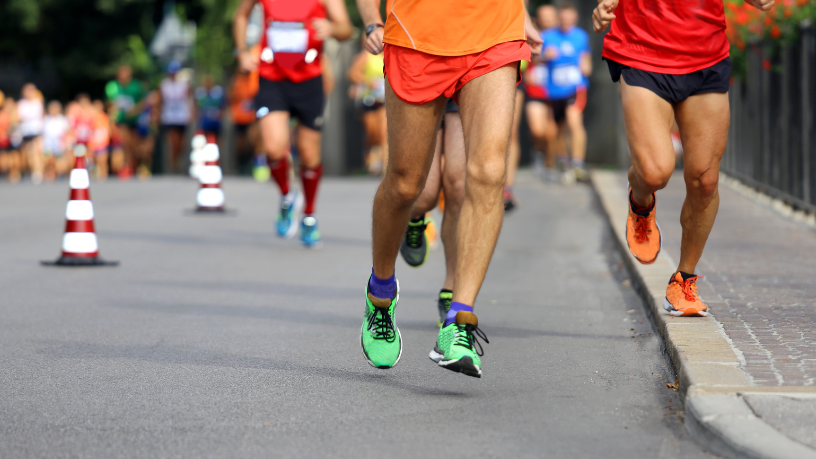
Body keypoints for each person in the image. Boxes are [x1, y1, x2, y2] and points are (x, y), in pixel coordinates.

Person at [355, 0, 541, 377]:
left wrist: (524, 13)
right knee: (407, 185)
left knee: (487, 173)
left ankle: (458, 320)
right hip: (418, 33)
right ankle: (381, 293)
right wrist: (371, 20)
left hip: (494, 29)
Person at [592, 0, 774, 316]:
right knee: (654, 172)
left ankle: (684, 280)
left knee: (705, 180)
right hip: (642, 50)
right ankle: (641, 199)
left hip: (706, 54)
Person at [233, 0, 353, 248]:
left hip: (309, 81)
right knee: (274, 148)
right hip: (271, 78)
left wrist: (332, 28)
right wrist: (241, 52)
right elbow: (241, 15)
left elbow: (346, 29)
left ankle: (309, 215)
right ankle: (288, 196)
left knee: (309, 156)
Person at [542, 1, 591, 182]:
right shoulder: (547, 36)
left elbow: (586, 58)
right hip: (554, 90)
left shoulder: (581, 36)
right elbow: (534, 58)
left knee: (574, 122)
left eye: (569, 18)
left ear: (575, 18)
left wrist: (586, 65)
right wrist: (544, 57)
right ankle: (563, 161)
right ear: (558, 18)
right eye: (562, 18)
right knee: (557, 128)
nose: (565, 21)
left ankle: (578, 163)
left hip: (575, 87)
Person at [525, 4, 559, 182]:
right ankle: (538, 150)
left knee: (551, 132)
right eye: (542, 16)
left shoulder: (564, 36)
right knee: (538, 130)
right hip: (535, 91)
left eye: (549, 15)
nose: (545, 19)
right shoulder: (531, 34)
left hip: (556, 92)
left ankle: (549, 164)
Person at [347, 39, 387, 175]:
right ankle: (371, 152)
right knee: (372, 132)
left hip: (384, 99)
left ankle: (385, 165)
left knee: (384, 131)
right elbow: (352, 74)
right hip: (368, 98)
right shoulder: (365, 56)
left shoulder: (389, 55)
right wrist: (368, 81)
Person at [106, 65, 147, 180]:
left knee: (136, 146)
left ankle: (136, 163)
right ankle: (128, 166)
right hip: (121, 120)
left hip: (135, 120)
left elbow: (144, 102)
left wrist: (135, 110)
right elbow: (110, 103)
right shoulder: (112, 87)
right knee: (125, 141)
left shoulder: (137, 86)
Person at [229, 46, 261, 176]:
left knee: (253, 141)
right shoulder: (236, 81)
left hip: (252, 117)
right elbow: (231, 96)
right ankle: (241, 166)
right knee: (240, 145)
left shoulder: (254, 79)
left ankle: (255, 165)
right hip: (239, 118)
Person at [159, 60, 193, 173]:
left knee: (181, 143)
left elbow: (191, 99)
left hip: (182, 116)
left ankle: (177, 159)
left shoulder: (184, 84)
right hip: (169, 117)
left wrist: (193, 112)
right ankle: (173, 164)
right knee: (172, 140)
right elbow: (160, 101)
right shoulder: (164, 85)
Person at [18, 83, 45, 184]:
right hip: (25, 132)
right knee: (26, 155)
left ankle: (38, 172)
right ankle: (28, 170)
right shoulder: (21, 104)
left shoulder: (37, 102)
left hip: (36, 131)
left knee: (36, 152)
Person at [42, 100, 71, 181]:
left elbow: (68, 134)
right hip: (47, 147)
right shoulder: (45, 120)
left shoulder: (63, 120)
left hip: (60, 147)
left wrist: (65, 146)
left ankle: (62, 173)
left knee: (65, 159)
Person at [194, 75, 225, 143]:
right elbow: (196, 107)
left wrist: (220, 116)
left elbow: (222, 107)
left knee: (216, 141)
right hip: (203, 122)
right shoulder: (199, 93)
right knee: (203, 141)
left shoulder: (218, 92)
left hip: (215, 122)